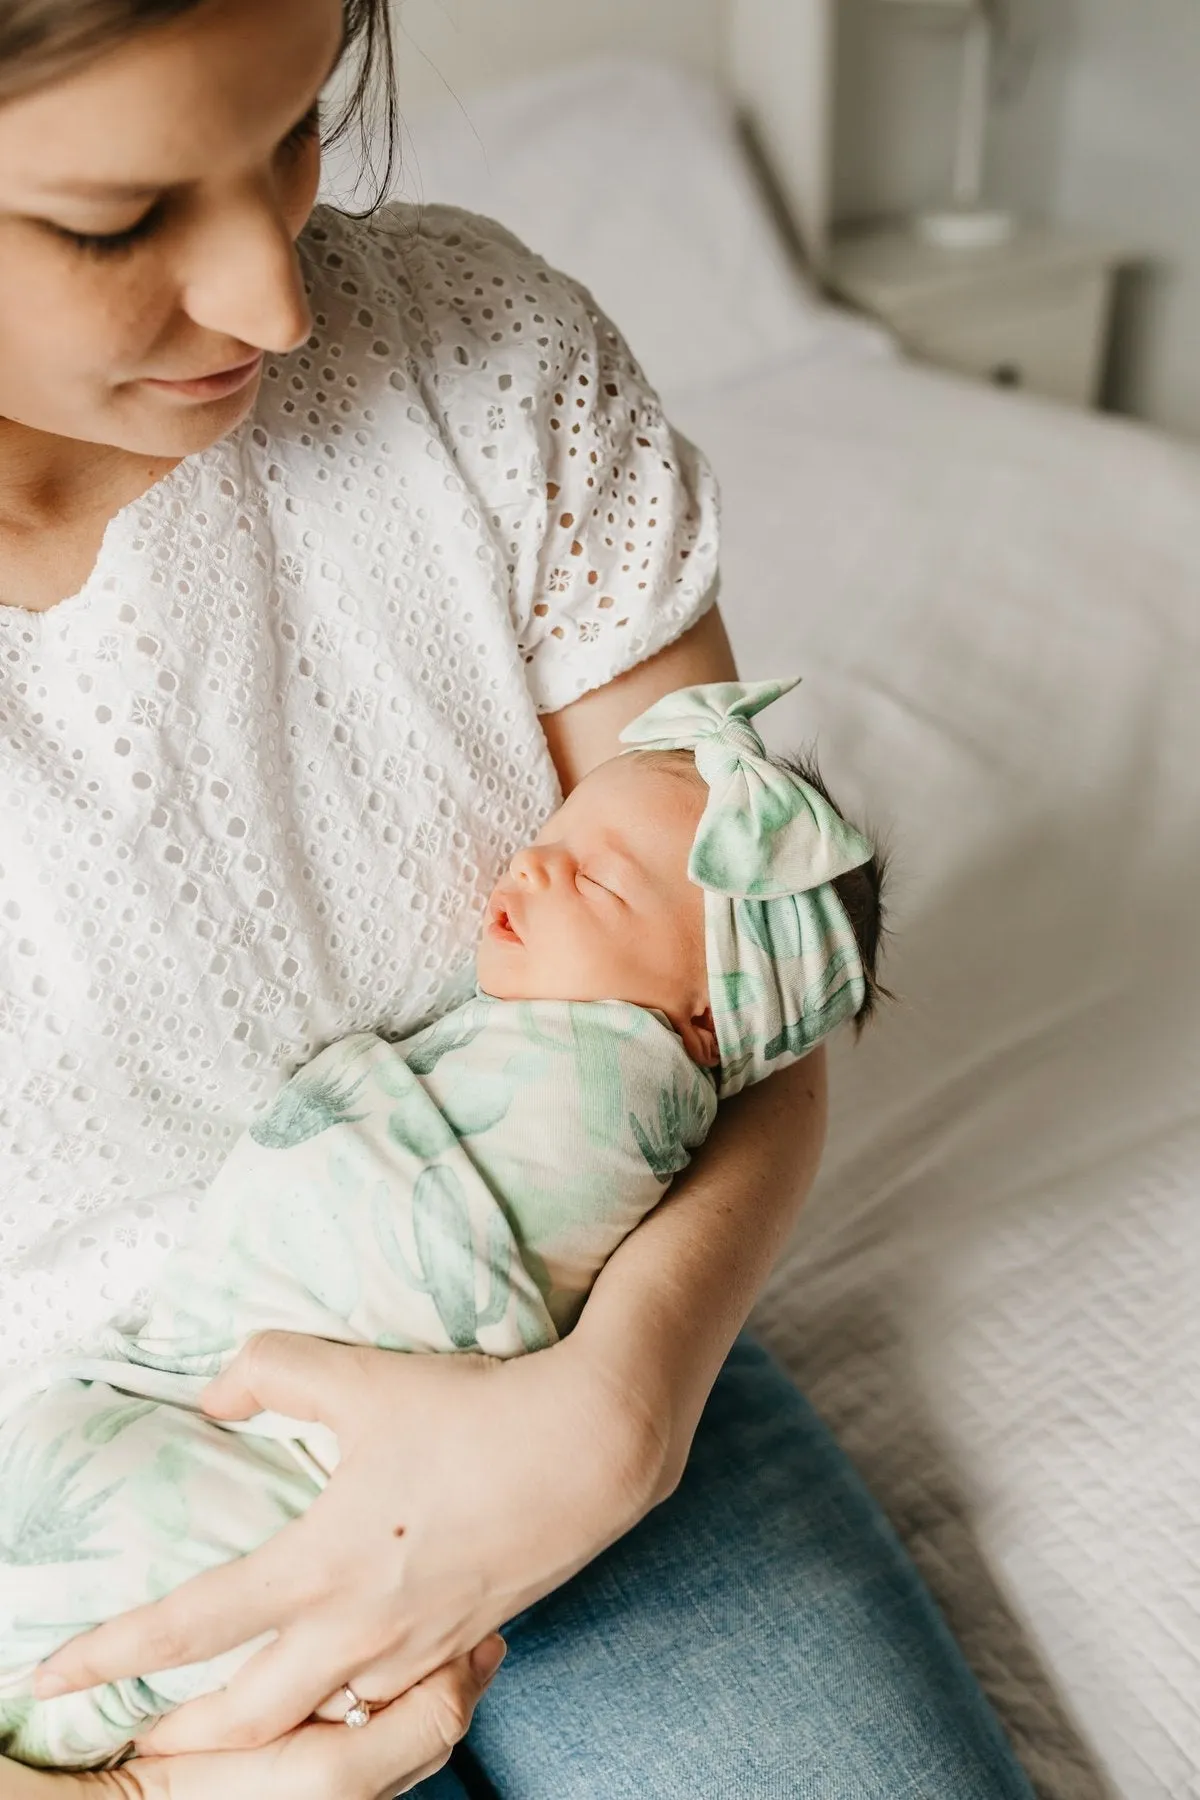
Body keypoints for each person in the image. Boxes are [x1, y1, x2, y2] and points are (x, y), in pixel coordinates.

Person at [0, 1, 1036, 1795]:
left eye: (300, 132)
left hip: (587, 1350)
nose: (276, 299)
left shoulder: (485, 357)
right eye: (118, 219)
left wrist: (614, 1418)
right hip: (76, 1556)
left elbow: (742, 991)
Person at [0, 678, 885, 1770]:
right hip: (189, 1406)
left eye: (597, 877)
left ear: (705, 1017)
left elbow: (775, 1072)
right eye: (552, 836)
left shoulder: (614, 1085)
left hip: (633, 1361)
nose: (531, 863)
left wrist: (617, 1411)